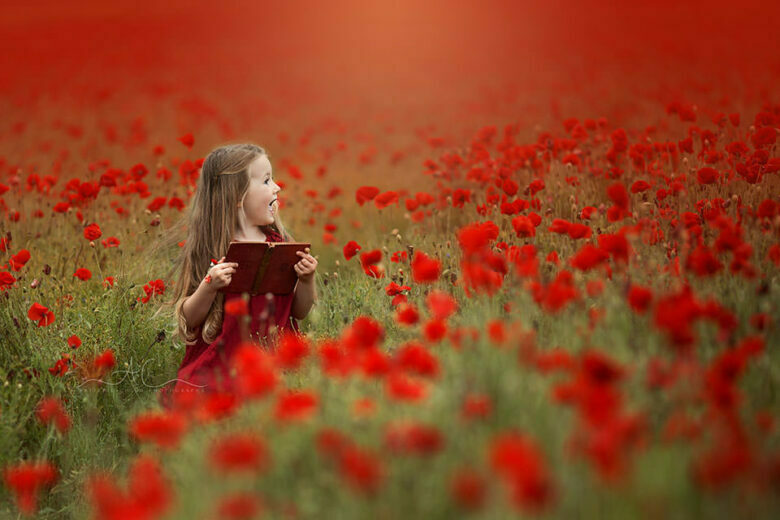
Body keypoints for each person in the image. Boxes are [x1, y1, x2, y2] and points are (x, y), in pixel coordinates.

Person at [158, 144, 317, 408]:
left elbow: (298, 312)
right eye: (267, 181)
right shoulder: (209, 249)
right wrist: (209, 286)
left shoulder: (280, 243)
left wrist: (306, 280)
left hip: (273, 360)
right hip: (223, 364)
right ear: (237, 196)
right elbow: (188, 318)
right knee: (206, 401)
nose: (277, 187)